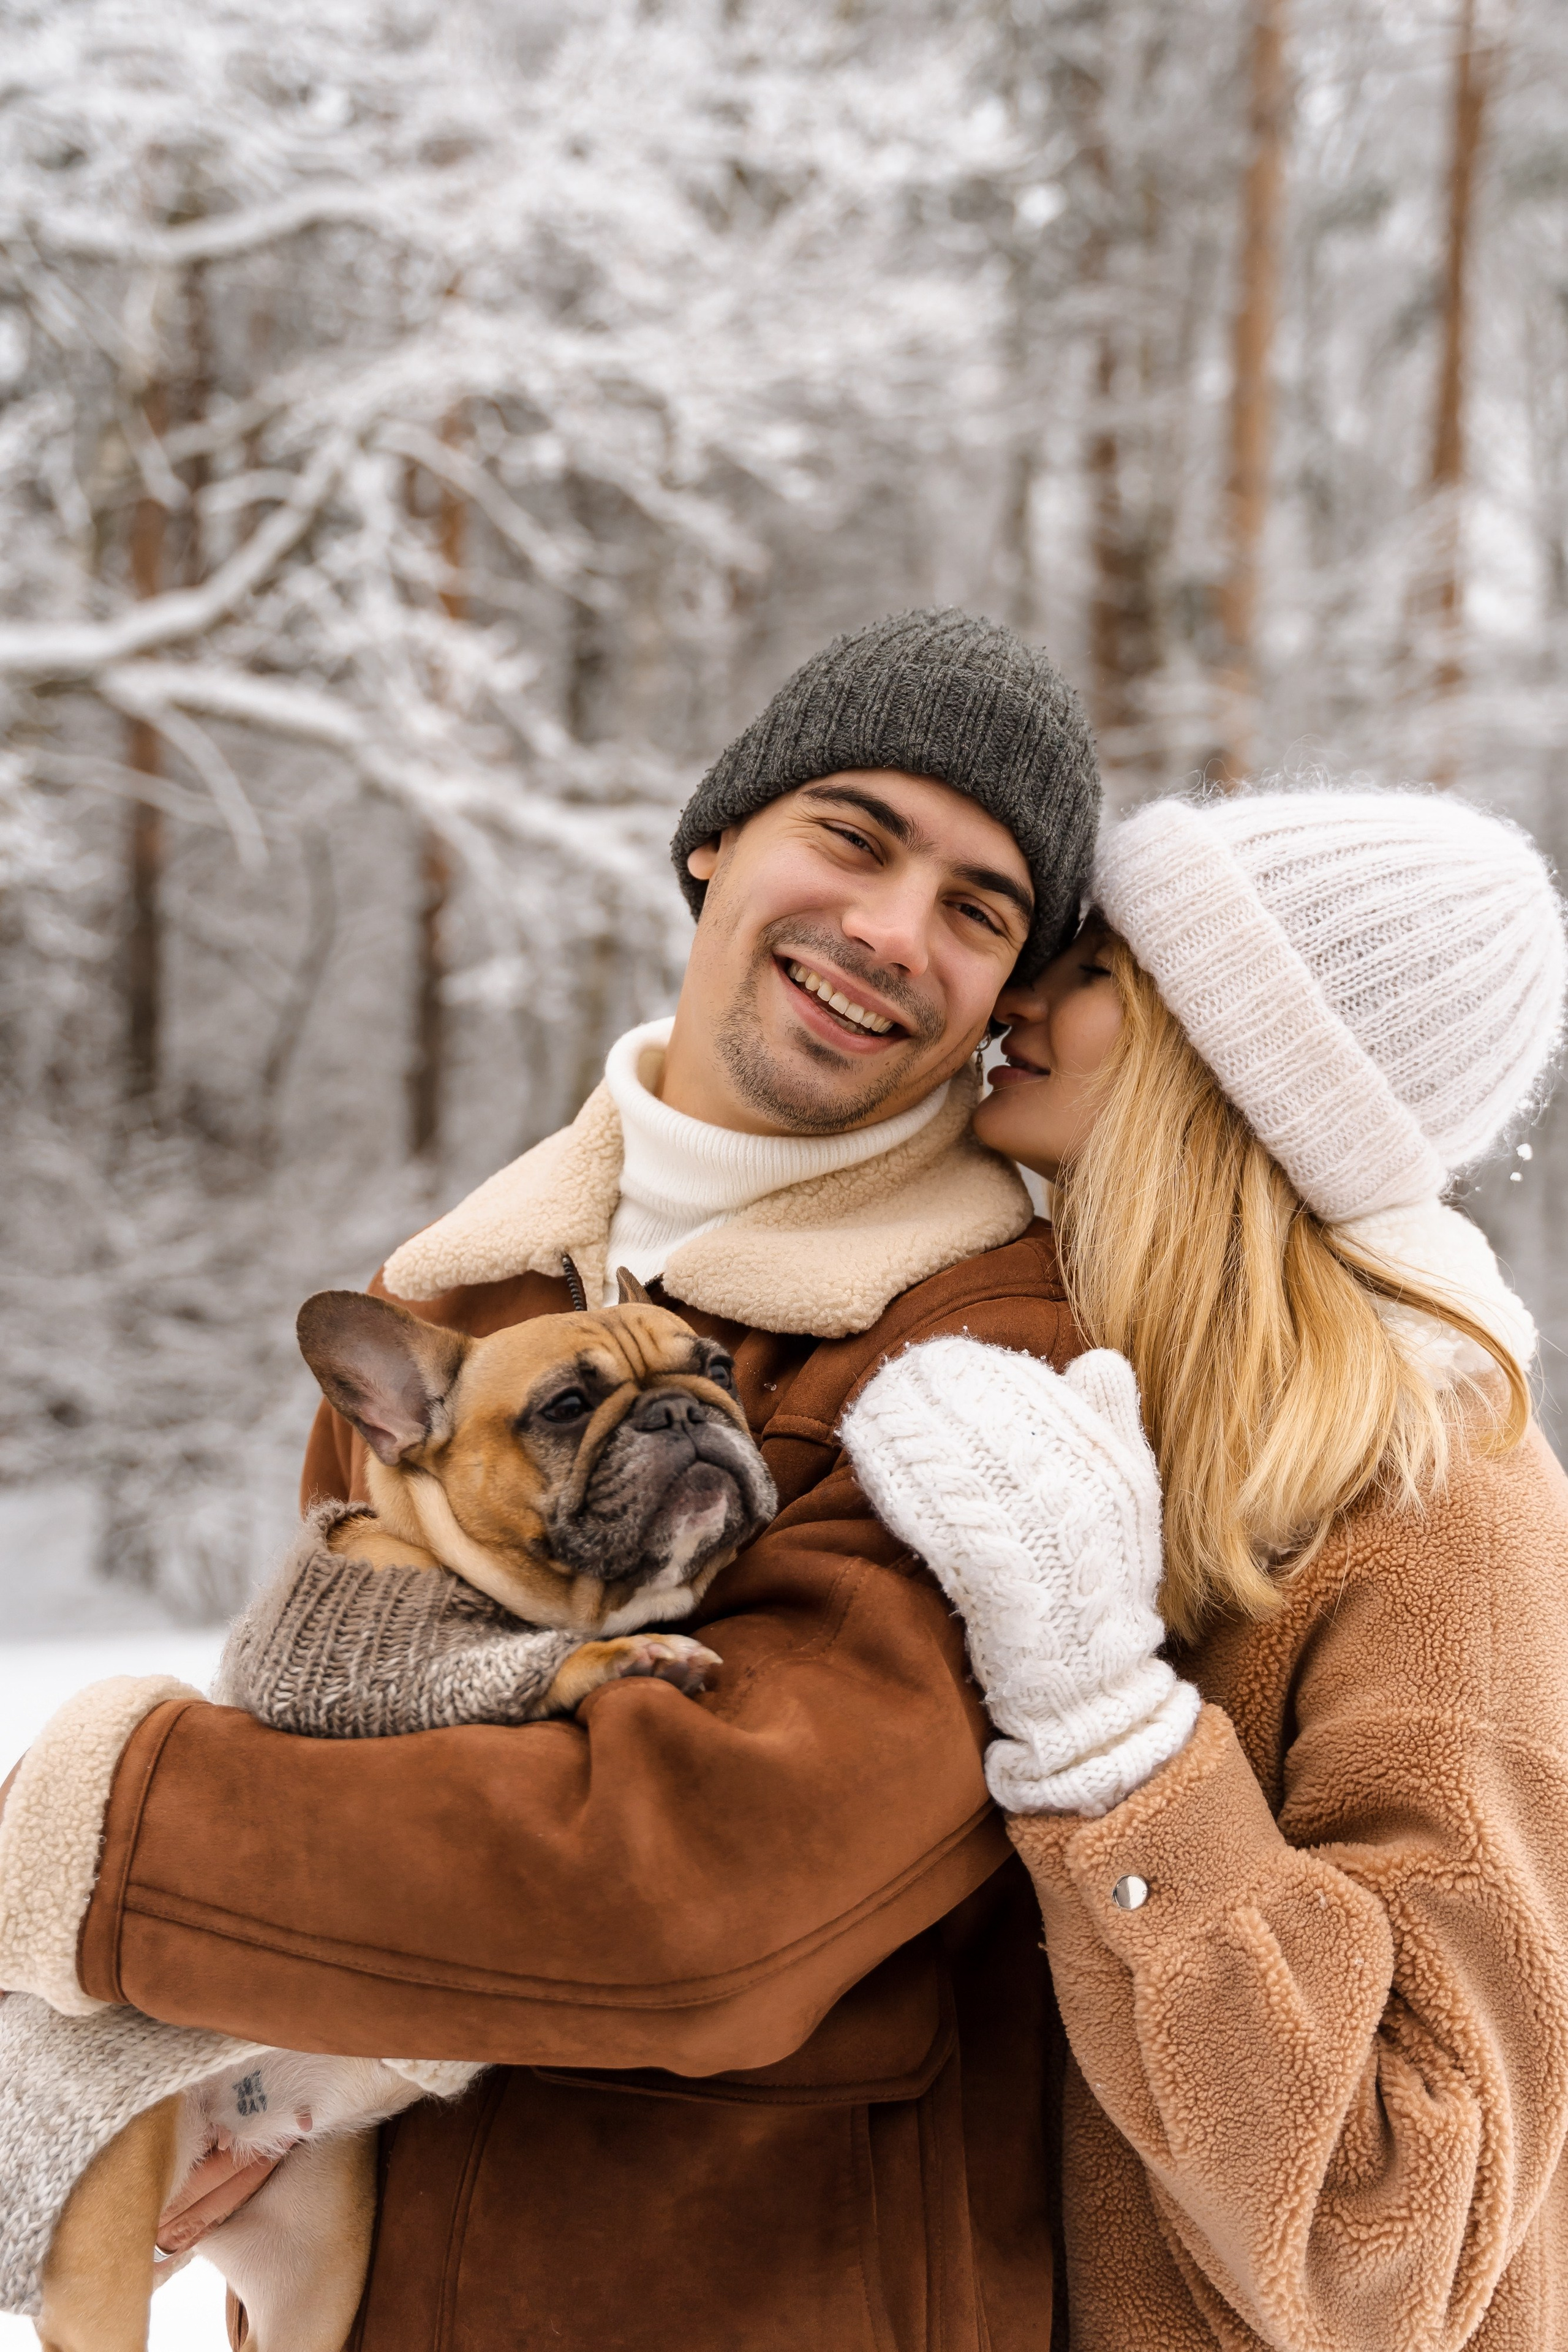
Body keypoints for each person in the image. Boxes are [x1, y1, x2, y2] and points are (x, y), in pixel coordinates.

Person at [0, 609, 1101, 2349]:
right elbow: (329, 1764)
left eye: (979, 910)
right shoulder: (454, 1297)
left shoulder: (993, 1349)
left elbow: (708, 1893)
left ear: (1004, 996)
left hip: (774, 2303)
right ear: (713, 841)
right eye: (854, 834)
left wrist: (105, 1843)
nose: (892, 931)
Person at [843, 785, 1568, 2350]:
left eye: (1096, 965)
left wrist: (1111, 1741)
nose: (1018, 991)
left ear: (1233, 1068)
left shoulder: (1443, 1507)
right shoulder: (1100, 1405)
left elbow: (1393, 2253)